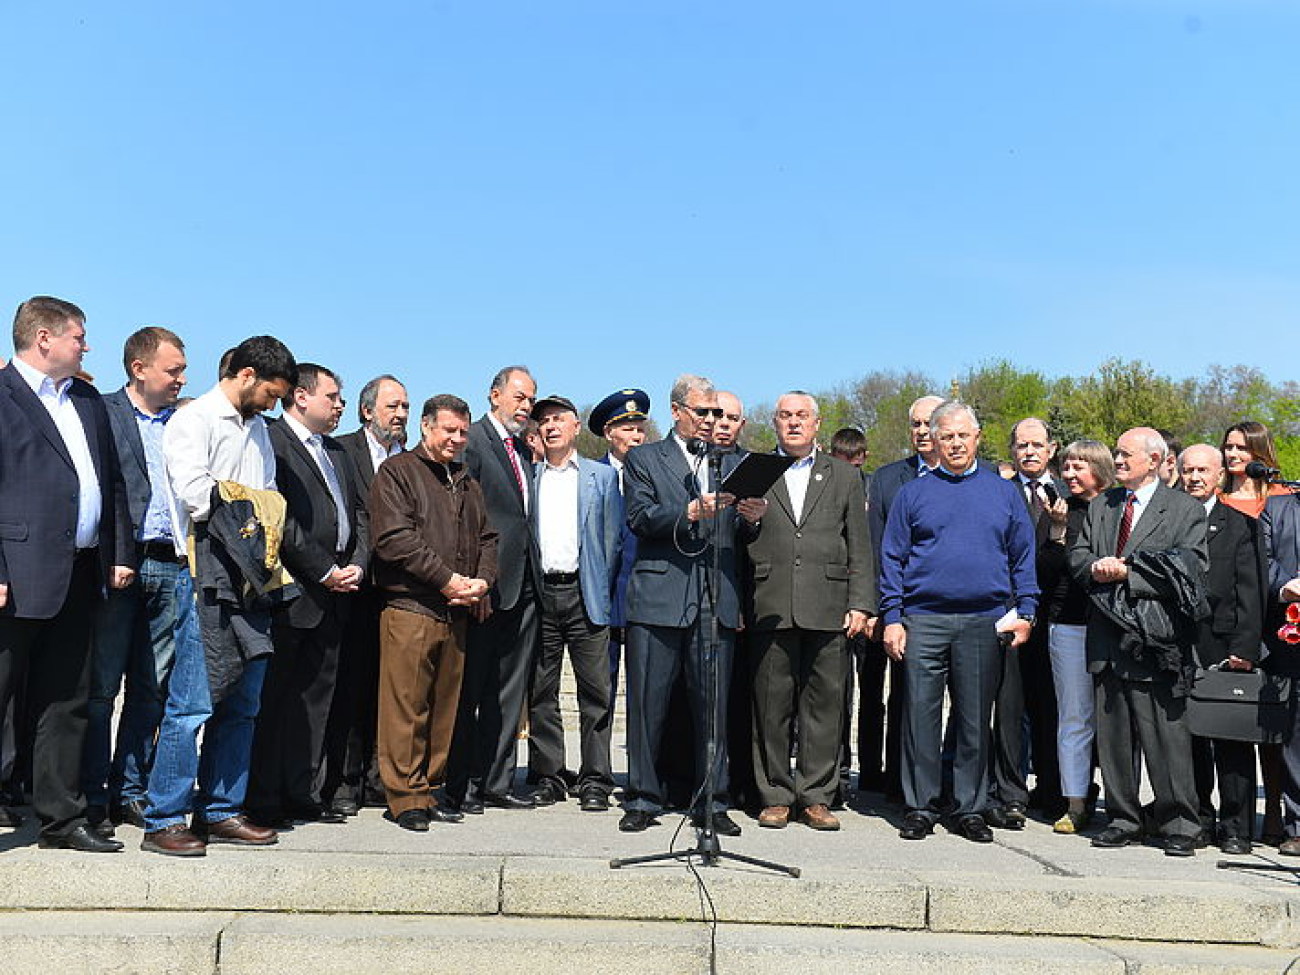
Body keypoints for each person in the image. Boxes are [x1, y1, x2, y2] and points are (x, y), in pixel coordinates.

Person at [141, 335, 298, 856]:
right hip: (204, 577)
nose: (273, 406)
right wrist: (248, 506)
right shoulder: (195, 421)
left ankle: (222, 809)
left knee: (245, 703)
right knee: (191, 706)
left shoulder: (258, 433)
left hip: (254, 582)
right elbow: (196, 494)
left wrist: (247, 506)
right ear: (247, 374)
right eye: (271, 394)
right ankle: (164, 816)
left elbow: (270, 503)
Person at [0, 296, 136, 852]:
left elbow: (115, 482)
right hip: (14, 573)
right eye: (79, 336)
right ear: (44, 339)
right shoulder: (4, 395)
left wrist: (118, 551)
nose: (87, 345)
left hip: (80, 572)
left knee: (68, 699)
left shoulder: (85, 399)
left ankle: (62, 819)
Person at [879, 401, 1037, 844]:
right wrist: (893, 617)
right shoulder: (913, 494)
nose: (955, 443)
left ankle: (969, 806)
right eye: (946, 436)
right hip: (924, 618)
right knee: (920, 718)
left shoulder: (1003, 493)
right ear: (934, 438)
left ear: (977, 437)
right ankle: (920, 806)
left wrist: (1026, 611)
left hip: (984, 620)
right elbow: (892, 559)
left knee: (973, 719)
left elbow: (1022, 556)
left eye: (962, 435)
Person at [618, 374, 764, 835]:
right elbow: (639, 518)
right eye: (703, 412)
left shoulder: (731, 462)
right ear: (678, 410)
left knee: (712, 706)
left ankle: (712, 801)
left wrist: (751, 521)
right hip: (659, 597)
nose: (710, 420)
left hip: (713, 597)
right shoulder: (644, 458)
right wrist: (688, 511)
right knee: (648, 703)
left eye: (717, 413)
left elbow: (738, 537)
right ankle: (643, 796)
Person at [1068, 427, 1208, 857]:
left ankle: (1181, 823)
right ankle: (1124, 818)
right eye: (1117, 453)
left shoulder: (1184, 509)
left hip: (1156, 641)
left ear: (1153, 459)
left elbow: (1191, 568)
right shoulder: (1103, 505)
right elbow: (1078, 554)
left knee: (1167, 739)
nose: (1119, 460)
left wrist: (1131, 573)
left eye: (1126, 454)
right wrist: (1095, 568)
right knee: (1113, 738)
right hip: (1108, 641)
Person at [247, 364, 370, 826]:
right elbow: (280, 517)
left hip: (339, 593)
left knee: (319, 700)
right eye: (332, 397)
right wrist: (324, 570)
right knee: (280, 702)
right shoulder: (273, 441)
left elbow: (360, 514)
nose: (340, 405)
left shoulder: (337, 452)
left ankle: (304, 790)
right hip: (296, 593)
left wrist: (357, 562)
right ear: (300, 397)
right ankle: (265, 797)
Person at [369, 394, 497, 831]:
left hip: (456, 610)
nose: (457, 440)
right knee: (406, 706)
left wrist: (481, 583)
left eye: (463, 433)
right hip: (412, 607)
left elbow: (487, 538)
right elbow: (394, 538)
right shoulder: (398, 472)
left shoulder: (467, 480)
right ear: (426, 427)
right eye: (448, 430)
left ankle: (431, 788)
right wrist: (446, 579)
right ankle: (405, 797)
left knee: (445, 707)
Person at [746, 392, 872, 831]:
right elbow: (736, 537)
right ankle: (775, 795)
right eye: (785, 416)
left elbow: (859, 542)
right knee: (770, 705)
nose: (794, 423)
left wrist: (861, 602)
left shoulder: (843, 475)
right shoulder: (755, 470)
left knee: (825, 706)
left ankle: (816, 796)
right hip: (770, 603)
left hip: (829, 604)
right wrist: (749, 520)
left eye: (802, 416)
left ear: (817, 424)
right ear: (775, 423)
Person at [83, 327, 188, 833]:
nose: (180, 379)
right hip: (120, 567)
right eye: (172, 370)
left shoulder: (183, 425)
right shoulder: (102, 413)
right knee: (102, 686)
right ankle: (92, 794)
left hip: (172, 566)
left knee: (152, 688)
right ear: (139, 368)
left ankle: (130, 790)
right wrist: (114, 554)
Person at [447, 366, 543, 813]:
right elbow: (465, 518)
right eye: (519, 397)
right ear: (495, 395)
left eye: (530, 400)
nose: (526, 407)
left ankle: (498, 781)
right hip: (486, 587)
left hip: (524, 588)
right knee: (472, 689)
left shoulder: (524, 450)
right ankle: (462, 783)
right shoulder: (477, 443)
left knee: (509, 692)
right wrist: (479, 582)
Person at [524, 395, 623, 811]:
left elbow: (613, 537)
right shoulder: (530, 477)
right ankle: (549, 775)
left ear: (575, 426)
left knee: (595, 691)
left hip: (586, 593)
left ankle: (596, 778)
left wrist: (599, 586)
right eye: (543, 420)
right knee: (541, 691)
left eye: (558, 419)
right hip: (542, 594)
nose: (550, 426)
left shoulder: (600, 477)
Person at [327, 375, 409, 814]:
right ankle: (344, 782)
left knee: (388, 690)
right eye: (393, 406)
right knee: (350, 689)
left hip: (398, 591)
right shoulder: (342, 451)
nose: (400, 415)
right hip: (351, 588)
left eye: (405, 407)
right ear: (367, 411)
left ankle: (381, 779)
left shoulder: (411, 458)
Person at [1179, 443, 1263, 854]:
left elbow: (1251, 592)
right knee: (1189, 739)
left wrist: (1246, 648)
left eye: (1203, 471)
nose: (1195, 477)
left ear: (1218, 476)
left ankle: (1236, 828)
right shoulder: (1169, 520)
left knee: (1230, 742)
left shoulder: (1239, 525)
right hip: (1179, 646)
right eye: (1188, 470)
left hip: (1226, 645)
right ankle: (1196, 819)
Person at [987, 418, 1067, 829]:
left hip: (1058, 619)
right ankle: (1011, 793)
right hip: (1008, 612)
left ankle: (1054, 791)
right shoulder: (997, 492)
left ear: (1052, 449)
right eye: (1022, 445)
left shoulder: (1070, 494)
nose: (1030, 452)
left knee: (1052, 709)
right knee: (1010, 710)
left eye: (1037, 445)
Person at [864, 394, 944, 797]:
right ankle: (899, 784)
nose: (922, 431)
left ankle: (944, 784)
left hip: (948, 607)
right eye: (915, 424)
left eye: (929, 422)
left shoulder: (971, 477)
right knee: (901, 697)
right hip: (899, 606)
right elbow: (876, 547)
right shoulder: (887, 478)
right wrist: (879, 607)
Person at [1220, 420, 1291, 845]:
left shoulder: (1284, 499)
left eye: (1241, 449)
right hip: (1238, 623)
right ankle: (1240, 819)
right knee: (1237, 721)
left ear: (1260, 453)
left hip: (1281, 621)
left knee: (1278, 725)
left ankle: (1278, 813)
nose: (1232, 455)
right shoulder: (1218, 500)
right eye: (1228, 447)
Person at [1039, 439, 1112, 834]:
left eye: (1077, 467)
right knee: (1074, 716)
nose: (1068, 475)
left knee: (1117, 719)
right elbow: (1045, 574)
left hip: (1113, 623)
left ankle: (1122, 804)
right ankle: (1075, 801)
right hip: (1067, 623)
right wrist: (1056, 530)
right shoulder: (1058, 511)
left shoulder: (1119, 508)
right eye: (1065, 468)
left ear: (1099, 469)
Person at [589, 387, 650, 701]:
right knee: (602, 690)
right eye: (628, 429)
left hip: (647, 598)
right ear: (608, 432)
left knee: (645, 693)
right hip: (605, 597)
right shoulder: (590, 476)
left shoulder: (657, 474)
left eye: (640, 429)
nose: (637, 436)